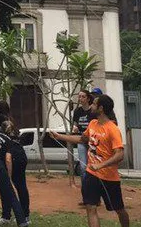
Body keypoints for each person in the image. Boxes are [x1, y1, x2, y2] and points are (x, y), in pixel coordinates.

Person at [50, 95, 129, 227]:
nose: (91, 106)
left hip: (109, 178)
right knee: (90, 207)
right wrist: (60, 136)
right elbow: (82, 139)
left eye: (94, 104)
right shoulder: (92, 124)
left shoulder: (112, 129)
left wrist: (101, 165)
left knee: (119, 209)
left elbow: (120, 154)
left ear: (101, 108)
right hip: (91, 175)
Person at [2, 119, 30, 226]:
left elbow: (8, 158)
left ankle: (10, 216)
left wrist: (9, 176)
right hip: (22, 158)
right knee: (22, 187)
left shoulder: (6, 138)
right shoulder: (16, 134)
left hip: (15, 161)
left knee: (12, 187)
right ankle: (25, 215)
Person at [72, 91, 94, 183]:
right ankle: (84, 186)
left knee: (92, 164)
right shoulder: (77, 111)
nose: (80, 99)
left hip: (92, 141)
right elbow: (75, 124)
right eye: (79, 96)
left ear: (88, 98)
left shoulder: (93, 111)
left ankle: (93, 185)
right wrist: (74, 127)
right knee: (83, 166)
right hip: (81, 140)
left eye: (83, 97)